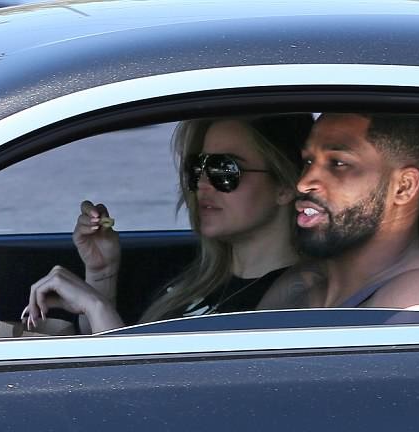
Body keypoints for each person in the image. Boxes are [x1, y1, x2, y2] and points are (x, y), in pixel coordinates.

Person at [23, 114, 313, 333]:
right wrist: (102, 274)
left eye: (224, 169)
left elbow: (147, 388)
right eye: (197, 168)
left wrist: (95, 306)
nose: (202, 183)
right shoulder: (199, 278)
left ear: (285, 186)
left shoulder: (294, 300)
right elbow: (104, 354)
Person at [258, 113, 419, 312]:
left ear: (403, 187)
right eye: (308, 161)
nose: (303, 183)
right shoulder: (303, 280)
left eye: (338, 163)